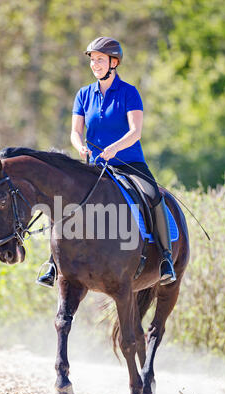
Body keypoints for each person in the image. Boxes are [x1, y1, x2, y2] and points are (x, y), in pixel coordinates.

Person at [37, 37, 176, 288]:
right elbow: (75, 131)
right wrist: (79, 146)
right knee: (65, 201)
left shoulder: (129, 93)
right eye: (92, 60)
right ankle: (53, 262)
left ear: (114, 62)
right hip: (94, 165)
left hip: (128, 163)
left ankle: (165, 258)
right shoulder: (83, 94)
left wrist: (113, 149)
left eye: (100, 59)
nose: (94, 64)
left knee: (153, 195)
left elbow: (136, 132)